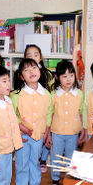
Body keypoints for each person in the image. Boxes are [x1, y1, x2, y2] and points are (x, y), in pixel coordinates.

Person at [11, 58, 52, 185]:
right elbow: (12, 116)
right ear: (22, 77)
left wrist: (46, 134)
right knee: (22, 162)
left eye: (34, 68)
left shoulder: (46, 94)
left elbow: (48, 115)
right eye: (26, 70)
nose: (31, 72)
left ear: (39, 70)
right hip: (22, 135)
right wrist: (22, 128)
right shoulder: (17, 95)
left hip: (38, 136)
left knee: (35, 161)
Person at [45, 60, 87, 185]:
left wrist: (83, 131)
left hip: (73, 132)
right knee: (56, 156)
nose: (68, 79)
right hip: (57, 132)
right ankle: (55, 180)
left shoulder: (79, 94)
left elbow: (82, 113)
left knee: (71, 157)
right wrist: (48, 134)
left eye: (71, 75)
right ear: (57, 77)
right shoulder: (54, 95)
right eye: (64, 76)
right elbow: (49, 114)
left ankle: (69, 179)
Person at [24, 44, 54, 173]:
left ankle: (43, 158)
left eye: (36, 55)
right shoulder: (24, 74)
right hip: (31, 110)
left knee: (46, 132)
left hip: (45, 107)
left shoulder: (47, 74)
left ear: (40, 57)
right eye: (29, 55)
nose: (33, 57)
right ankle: (35, 158)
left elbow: (51, 91)